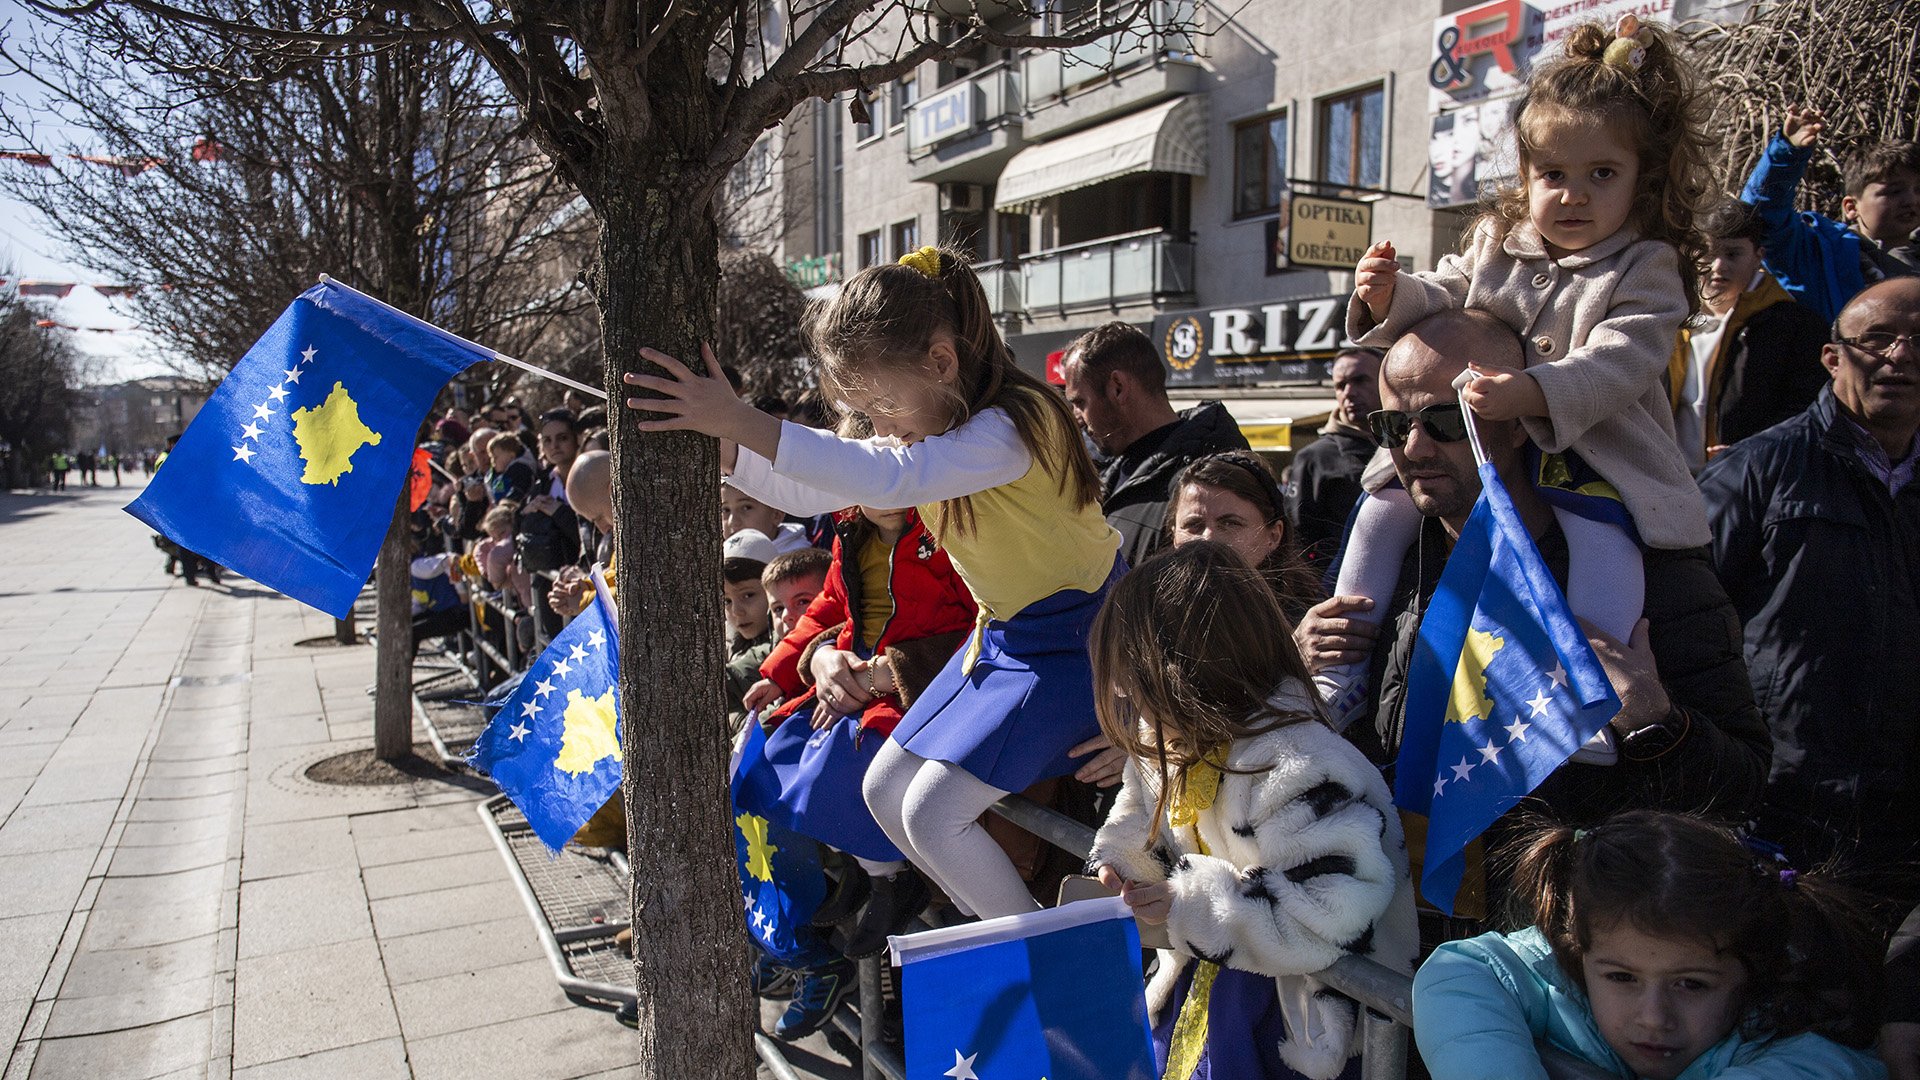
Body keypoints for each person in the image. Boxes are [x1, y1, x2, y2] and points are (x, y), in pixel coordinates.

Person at [623, 244, 1121, 921]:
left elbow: (885, 476)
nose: (878, 426)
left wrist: (739, 420)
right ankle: (1014, 944)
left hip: (1080, 639)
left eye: (881, 403)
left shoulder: (1012, 425)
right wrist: (730, 448)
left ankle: (1039, 958)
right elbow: (834, 482)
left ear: (941, 363)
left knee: (933, 810)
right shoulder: (941, 423)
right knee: (887, 792)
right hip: (1008, 638)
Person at [1294, 309, 1771, 944]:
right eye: (1392, 426)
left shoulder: (1650, 580)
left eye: (1444, 421)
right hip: (1405, 935)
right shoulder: (1379, 580)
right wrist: (1297, 672)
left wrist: (1657, 724)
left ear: (1521, 420)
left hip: (1570, 949)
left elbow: (1743, 786)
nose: (1413, 448)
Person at [1327, 15, 1714, 731]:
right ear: (1526, 177)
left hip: (1600, 453)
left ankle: (1586, 691)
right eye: (1553, 175)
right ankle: (1341, 667)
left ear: (1642, 180)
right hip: (1490, 442)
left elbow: (1621, 361)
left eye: (1602, 174)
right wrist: (1387, 295)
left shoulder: (1645, 268)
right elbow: (1442, 289)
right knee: (1380, 507)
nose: (1573, 195)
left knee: (1604, 541)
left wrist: (1533, 392)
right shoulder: (1497, 241)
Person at [1087, 542, 1416, 1080]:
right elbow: (1138, 804)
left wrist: (1181, 903)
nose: (1122, 688)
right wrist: (1121, 863)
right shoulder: (1175, 738)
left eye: (1131, 670)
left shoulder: (1298, 762)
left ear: (1188, 665)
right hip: (1213, 979)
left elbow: (1331, 909)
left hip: (1296, 1020)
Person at [1697, 276, 1920, 911]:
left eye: (1917, 341)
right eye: (1877, 340)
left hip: (1903, 819)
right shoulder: (1756, 470)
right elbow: (1685, 622)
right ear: (1833, 356)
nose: (1900, 357)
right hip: (1778, 807)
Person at [1414, 811, 1886, 1080]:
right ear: (1578, 953)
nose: (1653, 1016)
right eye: (1621, 977)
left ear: (1752, 971)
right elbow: (1465, 969)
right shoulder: (1561, 979)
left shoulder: (1801, 1050)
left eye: (1691, 984)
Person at [743, 504, 976, 958]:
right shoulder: (850, 533)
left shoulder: (948, 528)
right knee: (777, 755)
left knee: (844, 763)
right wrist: (780, 671)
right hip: (856, 673)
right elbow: (828, 608)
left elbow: (978, 619)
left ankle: (889, 878)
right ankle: (863, 866)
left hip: (909, 687)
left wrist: (890, 672)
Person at [1059, 321, 1249, 567]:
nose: (1078, 418)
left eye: (1081, 402)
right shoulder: (1106, 468)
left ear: (1118, 388)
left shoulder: (1209, 480)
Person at [1668, 199, 1830, 469]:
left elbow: (1808, 408)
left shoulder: (1793, 325)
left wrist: (1754, 449)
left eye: (1732, 254)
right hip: (1667, 481)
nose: (1718, 266)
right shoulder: (1669, 317)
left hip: (1748, 480)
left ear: (1759, 256)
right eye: (1707, 253)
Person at [1739, 105, 1919, 324]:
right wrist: (1787, 152)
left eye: (1919, 190)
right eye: (1894, 191)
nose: (1911, 200)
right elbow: (1760, 215)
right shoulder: (1820, 255)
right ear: (1851, 207)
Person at [1166, 451, 1320, 619]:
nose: (1208, 538)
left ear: (1274, 535)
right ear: (1174, 535)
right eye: (1193, 525)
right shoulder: (1150, 615)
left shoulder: (1308, 627)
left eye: (1230, 523)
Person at [1286, 348, 1382, 570]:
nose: (1349, 392)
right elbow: (1296, 538)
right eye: (1341, 385)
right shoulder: (1314, 458)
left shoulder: (1409, 443)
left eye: (1360, 380)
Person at [721, 480, 813, 553]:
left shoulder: (799, 567)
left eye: (746, 507)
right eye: (725, 510)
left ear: (776, 514)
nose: (732, 522)